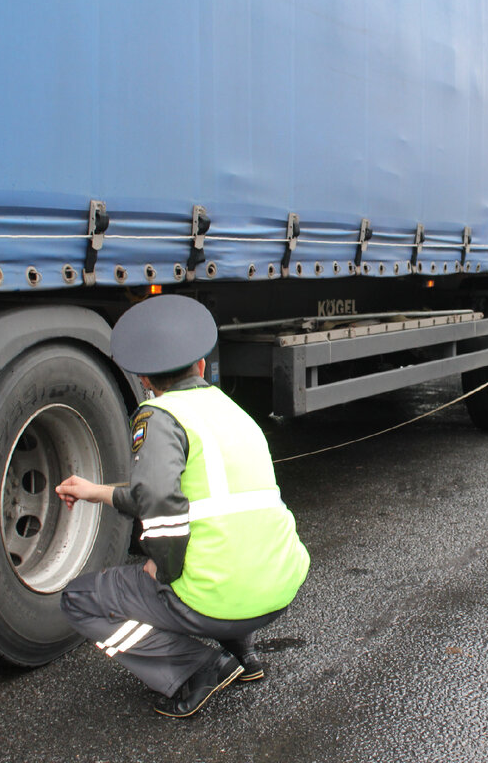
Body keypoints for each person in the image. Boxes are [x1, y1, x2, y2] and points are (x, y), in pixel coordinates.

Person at [55, 294, 310, 718]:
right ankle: (244, 655)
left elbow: (157, 499)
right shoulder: (232, 412)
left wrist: (164, 569)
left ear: (145, 382)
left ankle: (198, 669)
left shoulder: (159, 414)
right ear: (202, 368)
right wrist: (95, 491)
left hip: (217, 600)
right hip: (279, 587)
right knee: (223, 541)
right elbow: (204, 497)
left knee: (80, 598)